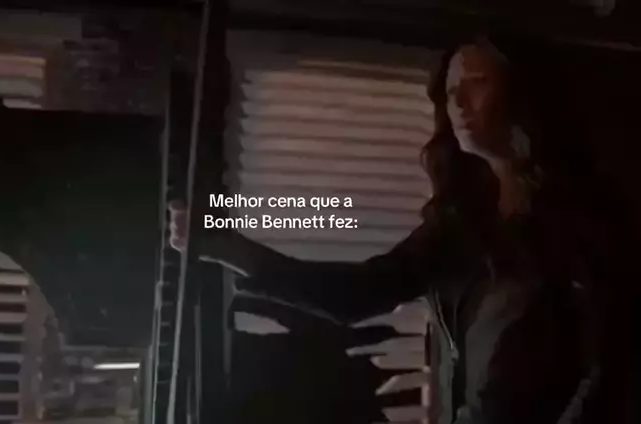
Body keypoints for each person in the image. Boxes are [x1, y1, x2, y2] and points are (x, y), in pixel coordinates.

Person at [170, 34, 635, 424]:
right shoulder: (462, 222)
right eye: (449, 90)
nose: (457, 103)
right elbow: (360, 293)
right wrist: (228, 249)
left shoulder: (587, 216)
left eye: (477, 83)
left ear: (523, 92)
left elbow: (610, 367)